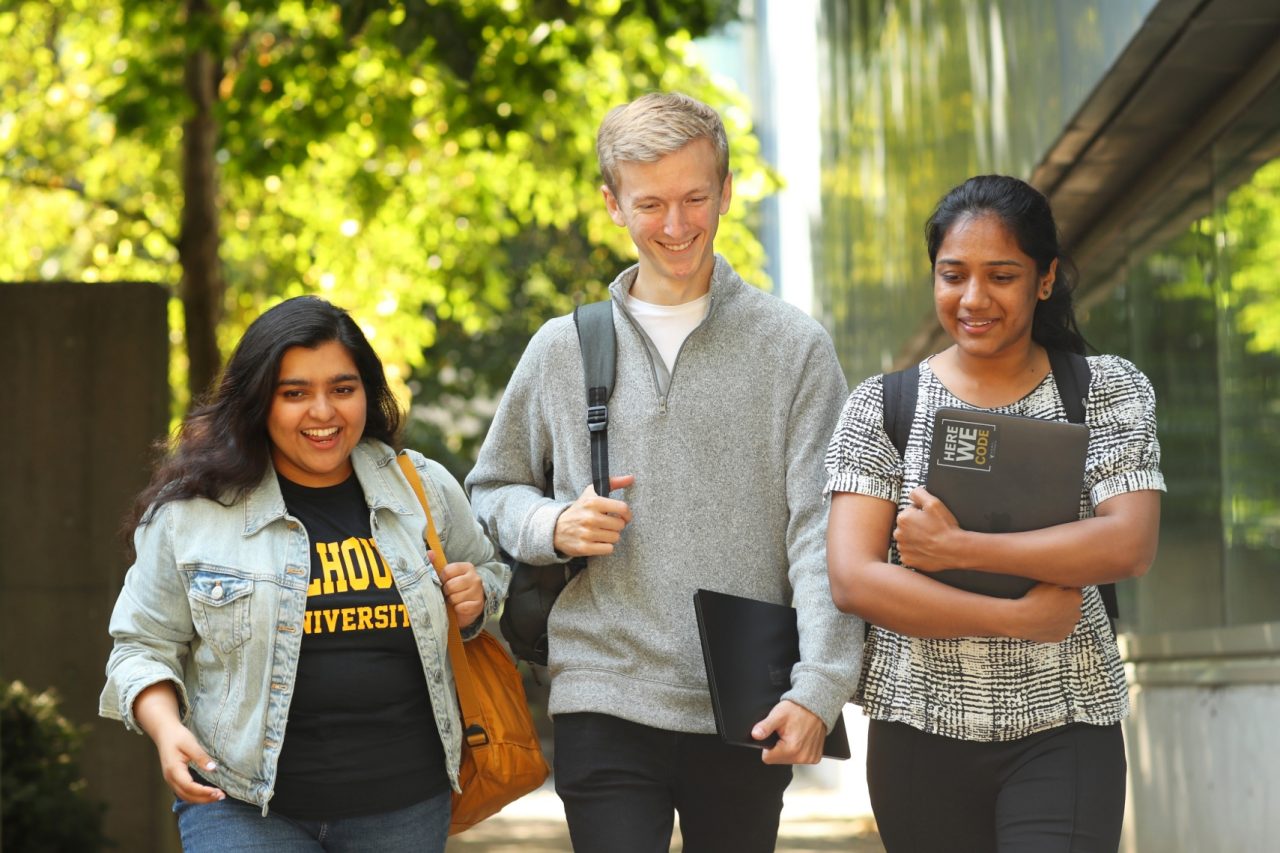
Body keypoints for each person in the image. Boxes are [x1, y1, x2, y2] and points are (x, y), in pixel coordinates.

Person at [465, 92, 863, 853]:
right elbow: (491, 487)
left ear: (727, 191)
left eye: (694, 198)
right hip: (603, 690)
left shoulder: (794, 348)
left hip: (747, 695)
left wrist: (820, 685)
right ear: (612, 203)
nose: (676, 226)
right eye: (651, 204)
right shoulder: (562, 347)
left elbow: (823, 530)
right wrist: (552, 523)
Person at [825, 174, 1164, 853]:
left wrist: (959, 547)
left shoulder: (1105, 389)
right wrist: (1014, 617)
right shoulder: (881, 406)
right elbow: (854, 579)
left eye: (1001, 275)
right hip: (917, 728)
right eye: (953, 275)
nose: (973, 298)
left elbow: (1127, 542)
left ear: (1045, 280)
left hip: (1067, 724)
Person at [99, 296, 509, 853]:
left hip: (404, 804)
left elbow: (488, 571)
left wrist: (477, 593)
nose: (324, 412)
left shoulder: (423, 490)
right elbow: (141, 647)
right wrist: (168, 731)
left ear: (368, 392)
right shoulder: (191, 514)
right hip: (242, 807)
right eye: (295, 393)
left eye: (343, 389)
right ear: (259, 401)